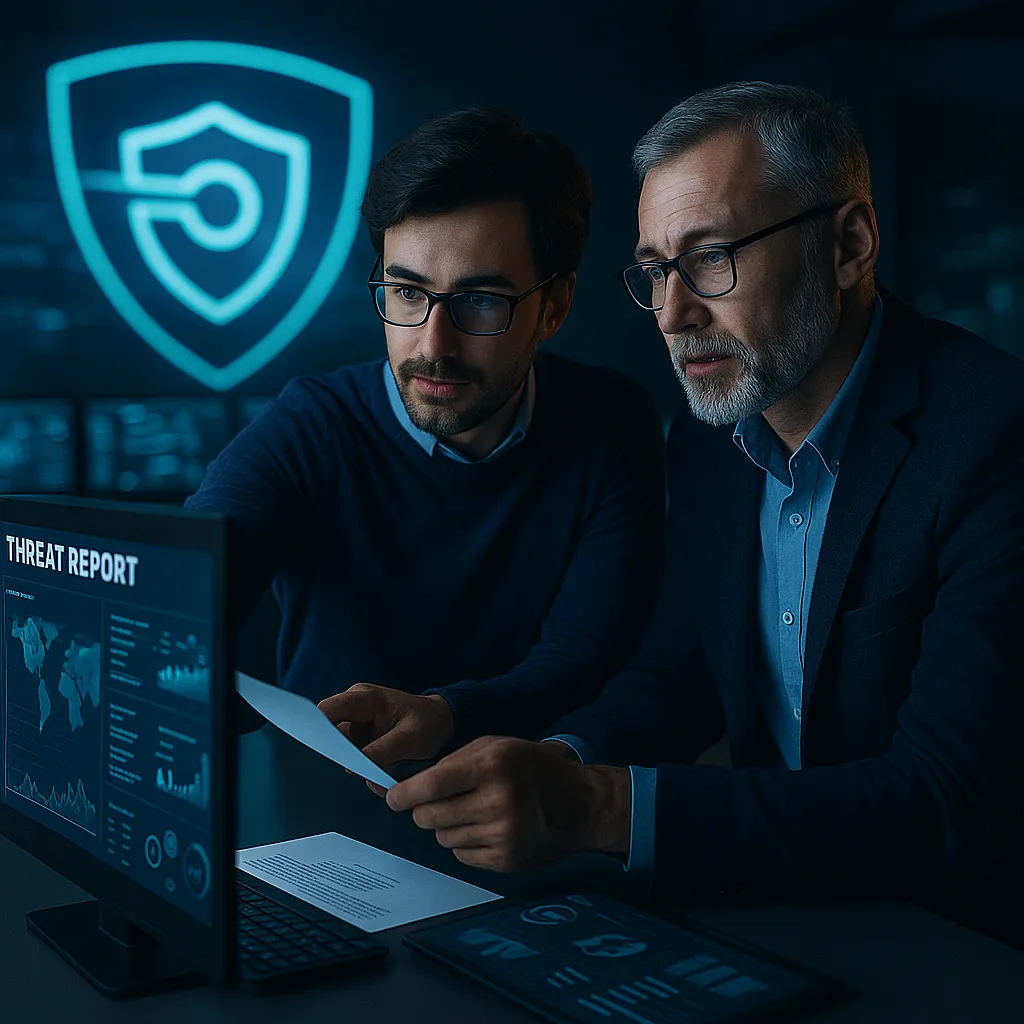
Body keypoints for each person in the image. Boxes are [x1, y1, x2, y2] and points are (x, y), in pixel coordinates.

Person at [375, 83, 1024, 947]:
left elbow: (948, 805)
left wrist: (596, 807)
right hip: (787, 917)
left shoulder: (995, 440)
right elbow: (684, 676)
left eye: (712, 257)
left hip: (966, 952)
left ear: (850, 245)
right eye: (655, 271)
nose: (674, 314)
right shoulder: (709, 439)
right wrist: (559, 760)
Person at [186, 108, 666, 759]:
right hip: (321, 799)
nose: (434, 347)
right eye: (408, 293)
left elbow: (583, 657)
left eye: (481, 301)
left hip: (527, 798)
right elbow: (185, 585)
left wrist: (448, 715)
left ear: (553, 307)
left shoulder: (611, 424)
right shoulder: (311, 424)